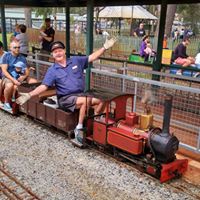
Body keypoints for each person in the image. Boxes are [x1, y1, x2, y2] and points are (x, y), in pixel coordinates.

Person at [16, 37, 117, 145]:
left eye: (60, 50)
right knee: (85, 101)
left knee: (102, 100)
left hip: (81, 94)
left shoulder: (75, 60)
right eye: (55, 52)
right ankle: (78, 128)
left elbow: (92, 57)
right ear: (52, 55)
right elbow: (44, 86)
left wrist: (104, 47)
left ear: (64, 51)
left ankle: (95, 122)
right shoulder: (52, 70)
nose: (58, 53)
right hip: (65, 99)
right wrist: (29, 95)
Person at [1, 40, 37, 110]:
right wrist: (14, 80)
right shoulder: (6, 56)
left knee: (34, 82)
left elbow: (26, 71)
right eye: (15, 47)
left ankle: (33, 101)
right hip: (9, 77)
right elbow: (4, 71)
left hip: (20, 76)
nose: (17, 49)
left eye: (18, 47)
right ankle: (6, 102)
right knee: (10, 85)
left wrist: (24, 76)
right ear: (10, 48)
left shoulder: (22, 57)